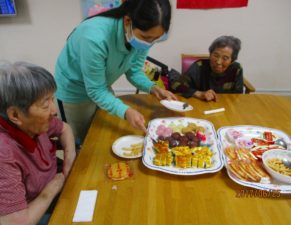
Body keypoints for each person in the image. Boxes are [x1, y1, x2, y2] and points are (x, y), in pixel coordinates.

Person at [55, 0, 177, 143]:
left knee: (105, 132)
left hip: (100, 86)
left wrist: (153, 88)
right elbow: (96, 90)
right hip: (74, 91)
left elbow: (134, 71)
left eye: (155, 39)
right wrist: (126, 111)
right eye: (146, 38)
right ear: (127, 21)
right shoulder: (94, 38)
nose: (149, 43)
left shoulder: (141, 37)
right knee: (84, 142)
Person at [0, 61, 76, 225]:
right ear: (15, 115)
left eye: (52, 99)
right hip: (37, 208)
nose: (54, 110)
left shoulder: (34, 123)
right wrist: (54, 186)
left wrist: (69, 161)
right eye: (45, 104)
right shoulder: (4, 154)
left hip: (56, 181)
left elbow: (65, 129)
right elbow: (16, 223)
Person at [170, 35, 243, 102]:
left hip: (226, 106)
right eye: (216, 55)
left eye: (225, 58)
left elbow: (238, 95)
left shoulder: (236, 69)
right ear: (210, 54)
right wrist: (198, 93)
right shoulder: (199, 66)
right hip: (200, 106)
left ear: (232, 60)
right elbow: (175, 85)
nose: (218, 62)